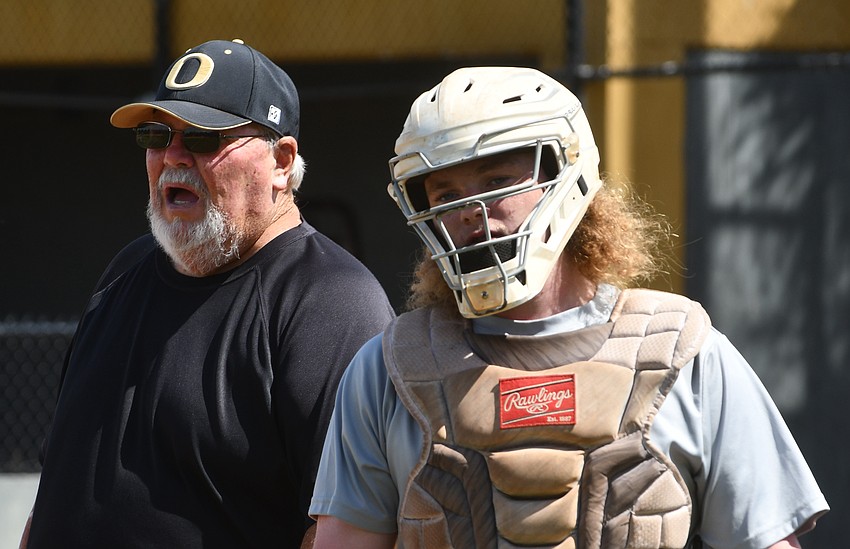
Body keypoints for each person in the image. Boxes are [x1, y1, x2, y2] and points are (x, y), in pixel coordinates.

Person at [309, 67, 829, 548]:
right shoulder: (388, 369)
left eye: (497, 182)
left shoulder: (686, 355)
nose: (471, 211)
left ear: (568, 175)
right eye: (446, 192)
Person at [20, 39, 395, 548]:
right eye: (157, 134)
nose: (173, 156)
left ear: (282, 162)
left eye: (201, 138)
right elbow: (62, 488)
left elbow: (348, 527)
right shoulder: (125, 270)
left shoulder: (329, 301)